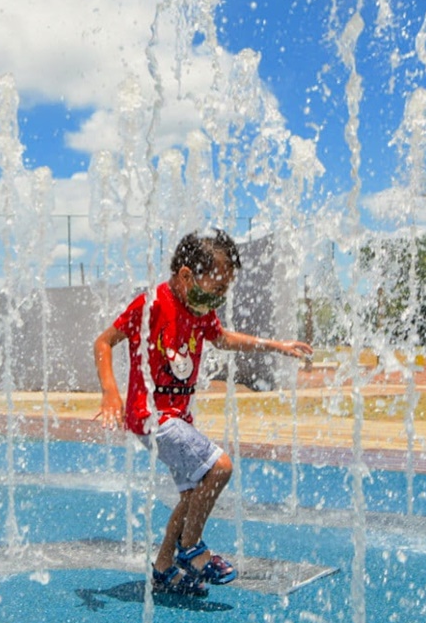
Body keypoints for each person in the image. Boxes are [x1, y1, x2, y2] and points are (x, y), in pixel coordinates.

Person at [93, 229, 313, 596]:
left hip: (176, 416)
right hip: (151, 415)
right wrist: (110, 392)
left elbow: (222, 337)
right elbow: (104, 341)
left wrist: (275, 345)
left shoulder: (201, 310)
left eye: (222, 291)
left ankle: (163, 568)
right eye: (213, 288)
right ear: (185, 276)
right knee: (220, 467)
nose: (216, 297)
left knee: (191, 494)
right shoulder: (152, 304)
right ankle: (191, 547)